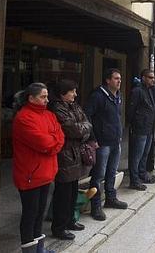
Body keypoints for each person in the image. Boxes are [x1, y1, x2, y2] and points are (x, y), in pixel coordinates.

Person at [12, 83, 64, 253]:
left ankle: (39, 249)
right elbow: (43, 142)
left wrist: (52, 144)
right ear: (31, 98)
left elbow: (60, 137)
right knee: (30, 215)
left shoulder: (49, 115)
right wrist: (53, 143)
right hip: (30, 175)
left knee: (40, 214)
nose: (47, 100)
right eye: (43, 96)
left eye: (47, 96)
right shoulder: (23, 118)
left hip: (47, 172)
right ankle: (29, 250)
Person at [48, 80, 92, 240]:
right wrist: (82, 129)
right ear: (62, 93)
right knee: (63, 193)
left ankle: (70, 220)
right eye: (72, 91)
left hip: (75, 153)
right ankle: (59, 227)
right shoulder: (57, 108)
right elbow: (73, 129)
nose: (75, 94)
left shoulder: (74, 106)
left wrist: (82, 129)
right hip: (64, 155)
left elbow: (86, 124)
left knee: (73, 191)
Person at [85, 68, 128, 221]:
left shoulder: (118, 96)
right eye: (116, 78)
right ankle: (95, 205)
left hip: (115, 140)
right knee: (98, 174)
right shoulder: (98, 96)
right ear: (107, 80)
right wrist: (92, 138)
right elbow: (87, 116)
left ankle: (111, 198)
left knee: (111, 172)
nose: (119, 81)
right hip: (102, 142)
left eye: (120, 79)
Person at [126, 69, 155, 191]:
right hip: (140, 128)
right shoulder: (137, 91)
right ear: (143, 78)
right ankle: (134, 180)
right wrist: (135, 124)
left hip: (148, 128)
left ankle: (142, 174)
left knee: (144, 154)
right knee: (136, 156)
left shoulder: (149, 91)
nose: (153, 79)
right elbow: (131, 110)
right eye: (150, 77)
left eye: (153, 77)